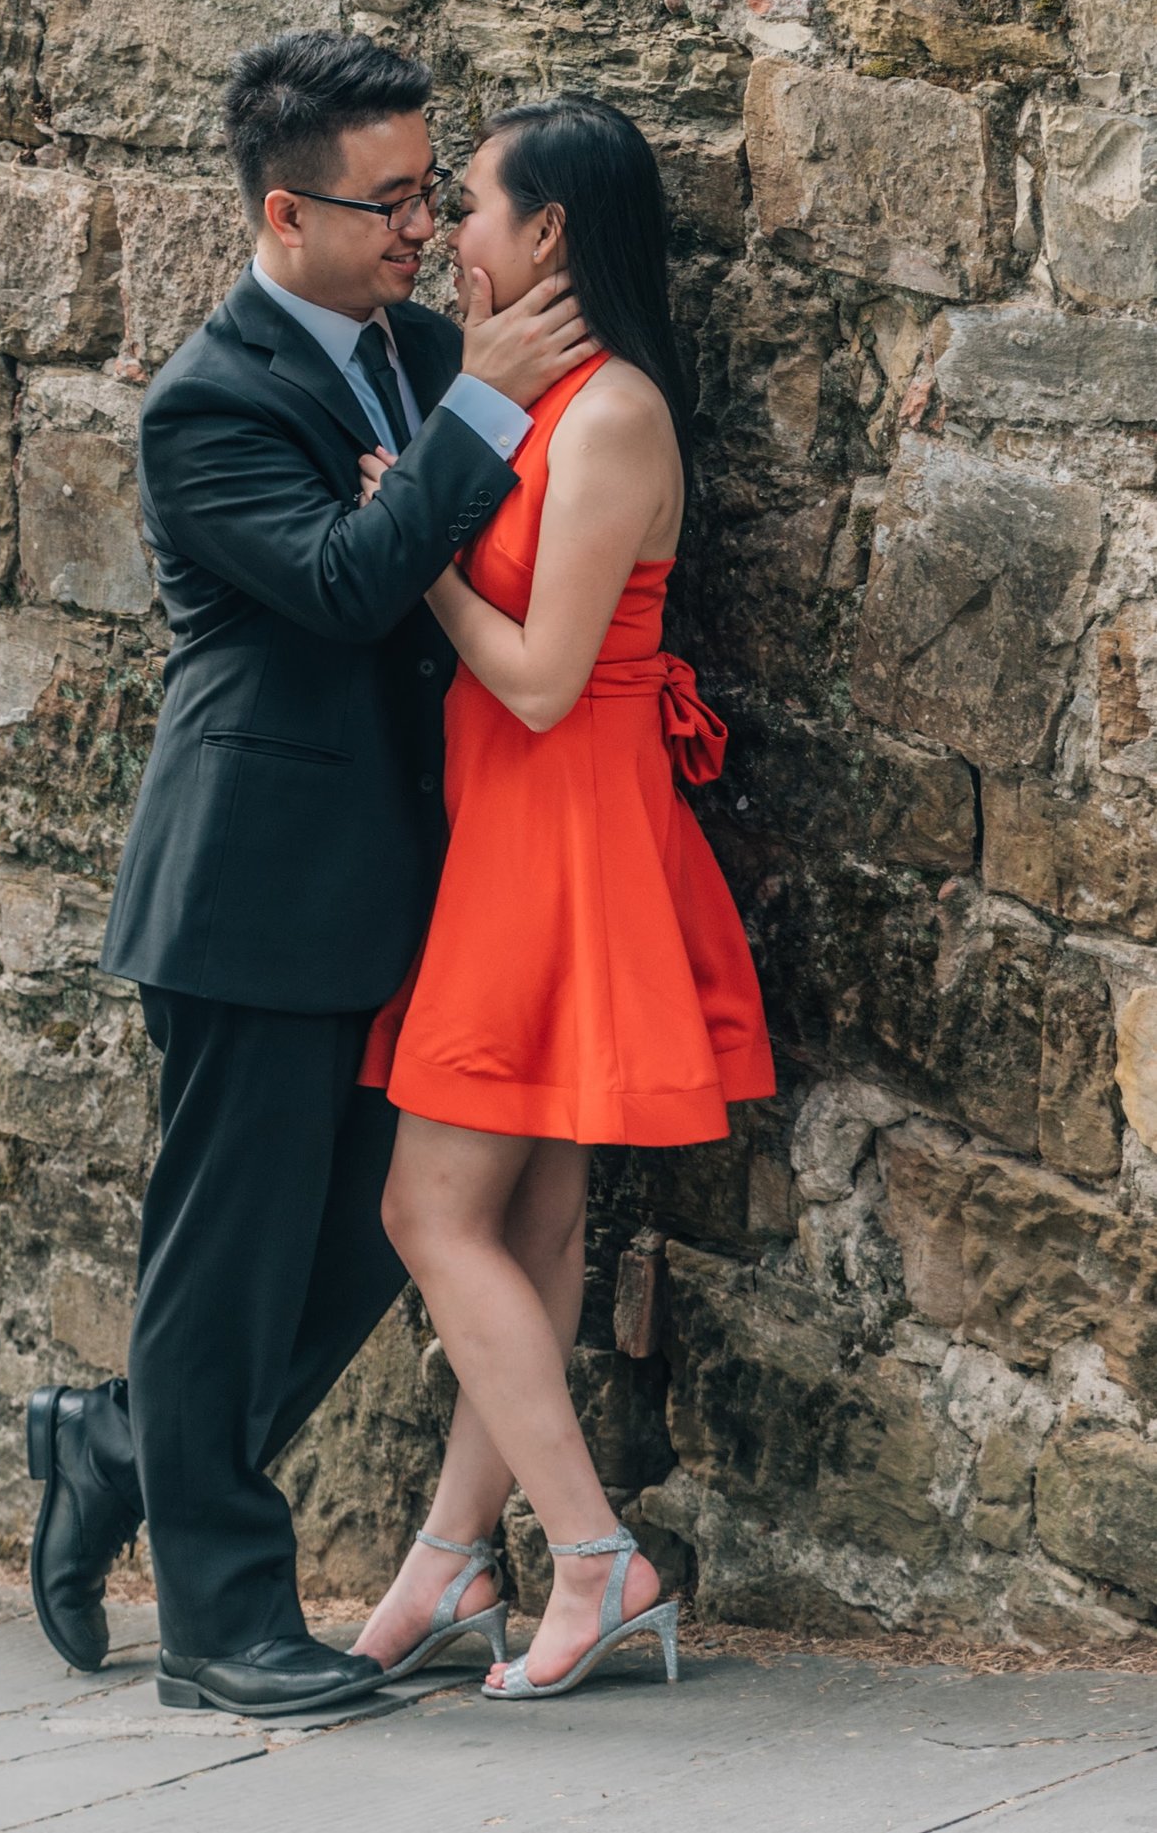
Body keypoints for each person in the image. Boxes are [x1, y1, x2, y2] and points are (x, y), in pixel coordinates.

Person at [25, 32, 596, 1721]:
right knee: (228, 1256)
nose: (425, 226)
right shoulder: (209, 401)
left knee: (372, 1238)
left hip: (417, 886)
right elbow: (352, 584)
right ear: (287, 212)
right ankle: (221, 1624)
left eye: (435, 191)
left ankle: (117, 1438)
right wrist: (486, 401)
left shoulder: (425, 347)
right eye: (393, 200)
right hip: (253, 887)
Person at [348, 97, 773, 1703]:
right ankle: (457, 1558)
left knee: (424, 1208)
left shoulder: (611, 420)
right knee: (527, 1223)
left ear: (548, 237)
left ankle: (597, 1554)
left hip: (564, 834)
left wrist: (424, 544)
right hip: (514, 832)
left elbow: (535, 679)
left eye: (470, 207)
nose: (448, 232)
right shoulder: (536, 394)